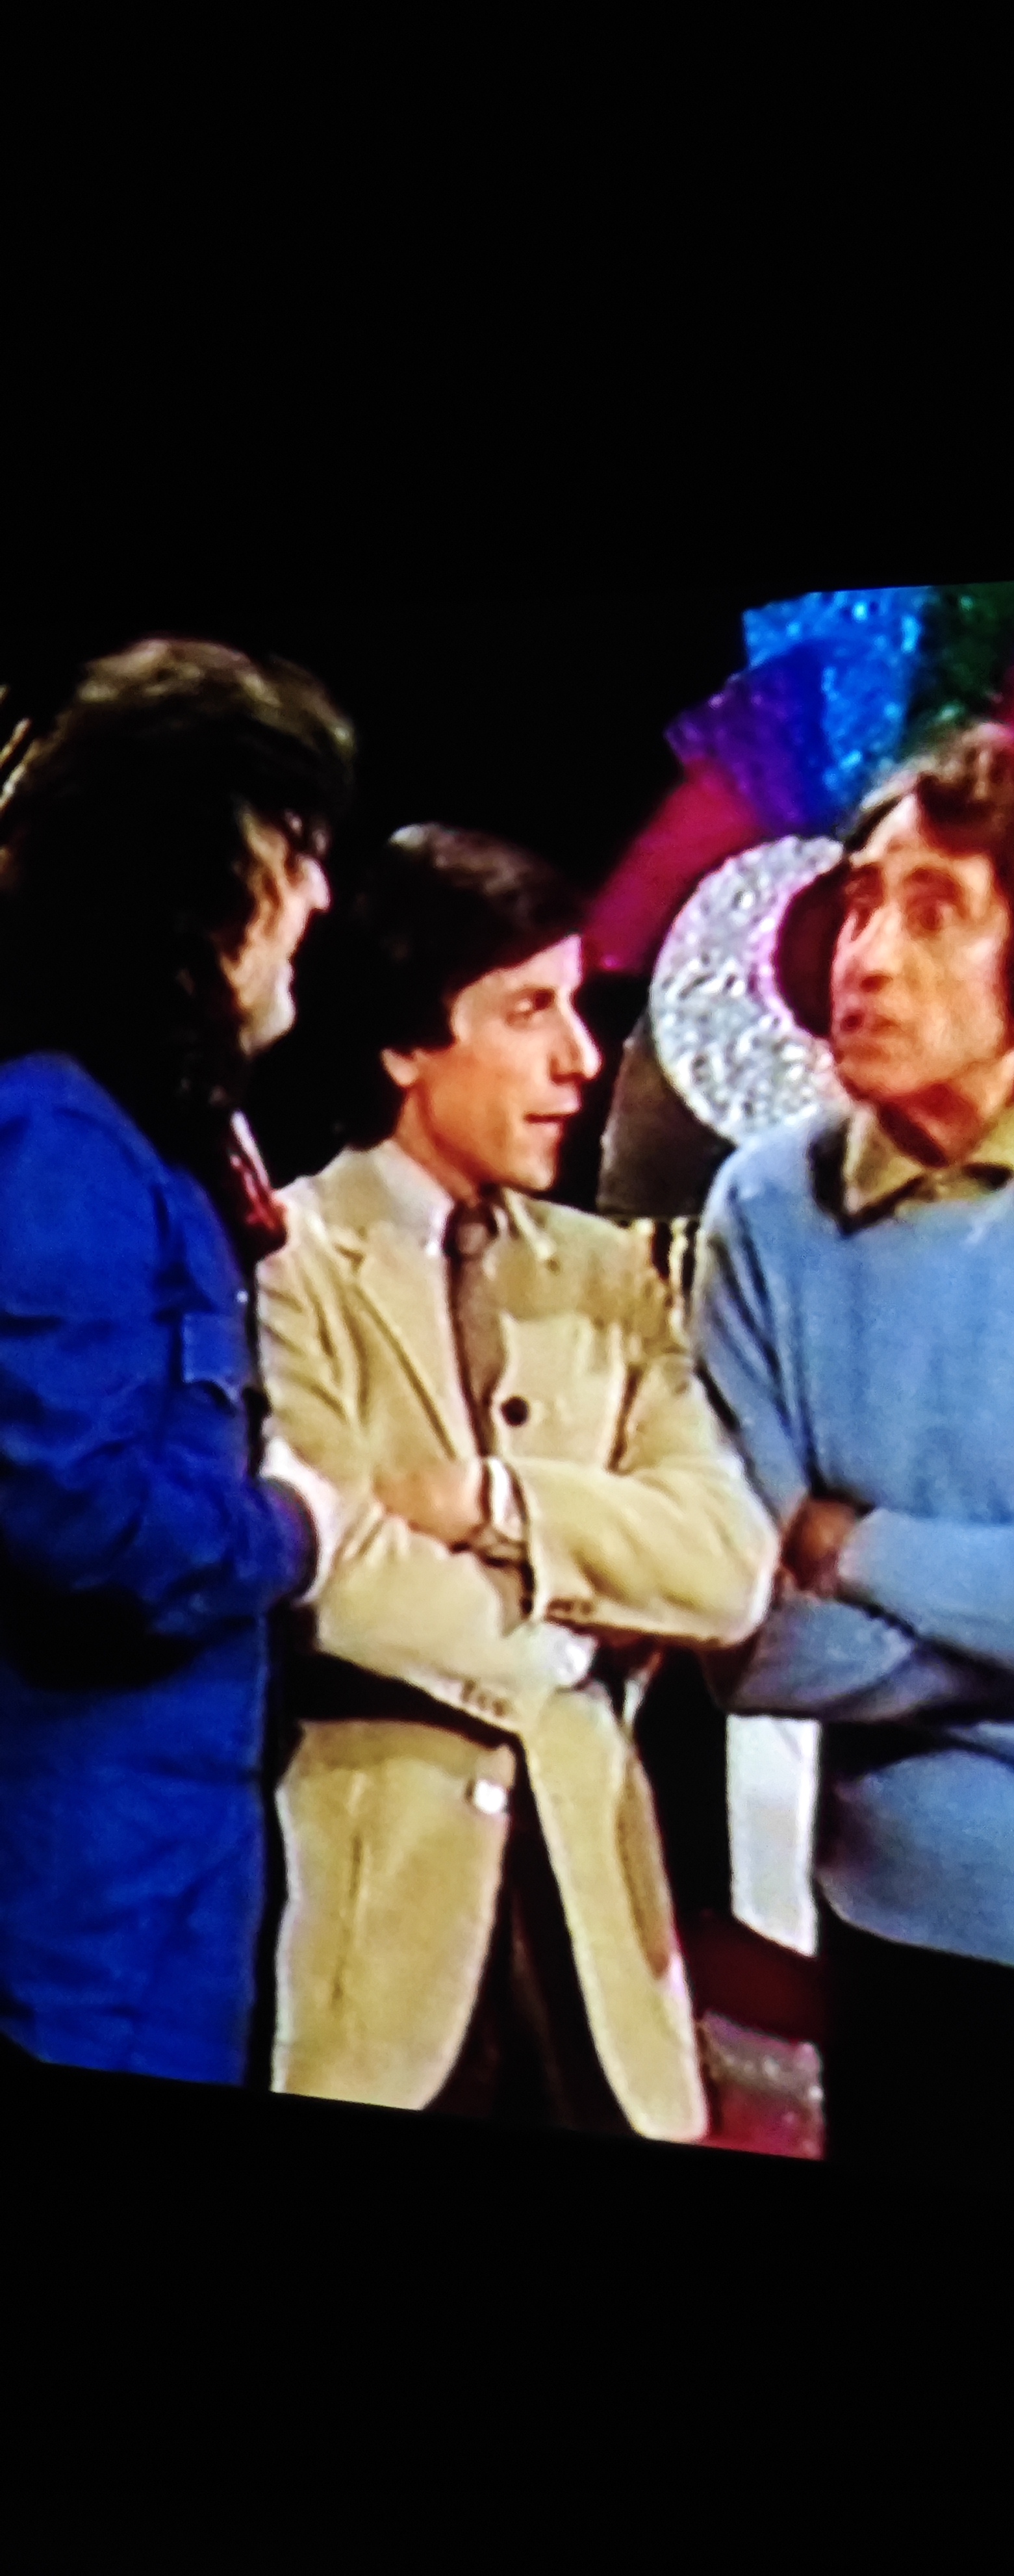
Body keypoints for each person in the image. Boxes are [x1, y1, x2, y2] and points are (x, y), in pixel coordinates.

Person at [692, 721, 1014, 2189]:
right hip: (877, 1929)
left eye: (934, 914)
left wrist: (852, 1544)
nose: (865, 958)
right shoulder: (764, 1212)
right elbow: (750, 1646)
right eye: (860, 903)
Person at [255, 825, 777, 2139]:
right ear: (407, 1045)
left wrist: (497, 1502)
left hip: (597, 1927)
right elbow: (337, 1575)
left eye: (577, 1007)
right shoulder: (288, 1261)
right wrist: (562, 1646)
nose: (581, 1060)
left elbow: (723, 1565)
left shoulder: (611, 1277)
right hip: (385, 1936)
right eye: (528, 1011)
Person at [0, 638, 355, 2085]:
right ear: (200, 867)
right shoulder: (57, 1141)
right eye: (298, 849)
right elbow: (73, 1515)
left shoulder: (146, 1142)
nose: (319, 897)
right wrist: (294, 1525)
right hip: (75, 1940)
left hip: (159, 1909)